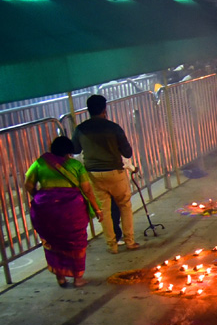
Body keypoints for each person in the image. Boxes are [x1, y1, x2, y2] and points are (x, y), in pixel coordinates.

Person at [25, 136, 101, 287]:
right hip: (72, 212)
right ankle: (78, 278)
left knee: (53, 242)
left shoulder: (40, 163)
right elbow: (87, 190)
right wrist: (97, 209)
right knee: (77, 243)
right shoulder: (75, 165)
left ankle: (60, 277)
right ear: (68, 152)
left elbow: (28, 183)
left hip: (46, 212)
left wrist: (42, 197)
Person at [72, 94, 139, 253]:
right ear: (104, 109)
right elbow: (127, 152)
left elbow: (75, 149)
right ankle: (129, 241)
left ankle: (112, 245)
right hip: (115, 172)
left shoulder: (80, 129)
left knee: (105, 211)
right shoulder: (113, 128)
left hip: (94, 175)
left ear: (88, 110)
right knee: (124, 205)